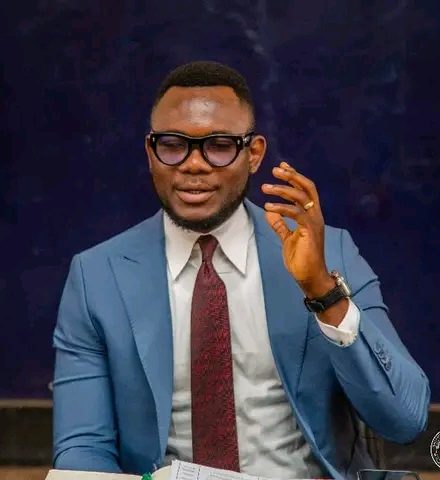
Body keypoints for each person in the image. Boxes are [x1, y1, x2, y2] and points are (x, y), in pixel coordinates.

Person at [52, 61, 430, 480]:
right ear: (150, 152)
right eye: (173, 145)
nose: (194, 164)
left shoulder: (328, 254)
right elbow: (82, 450)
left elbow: (406, 419)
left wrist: (323, 291)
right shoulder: (97, 277)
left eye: (219, 145)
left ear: (254, 154)